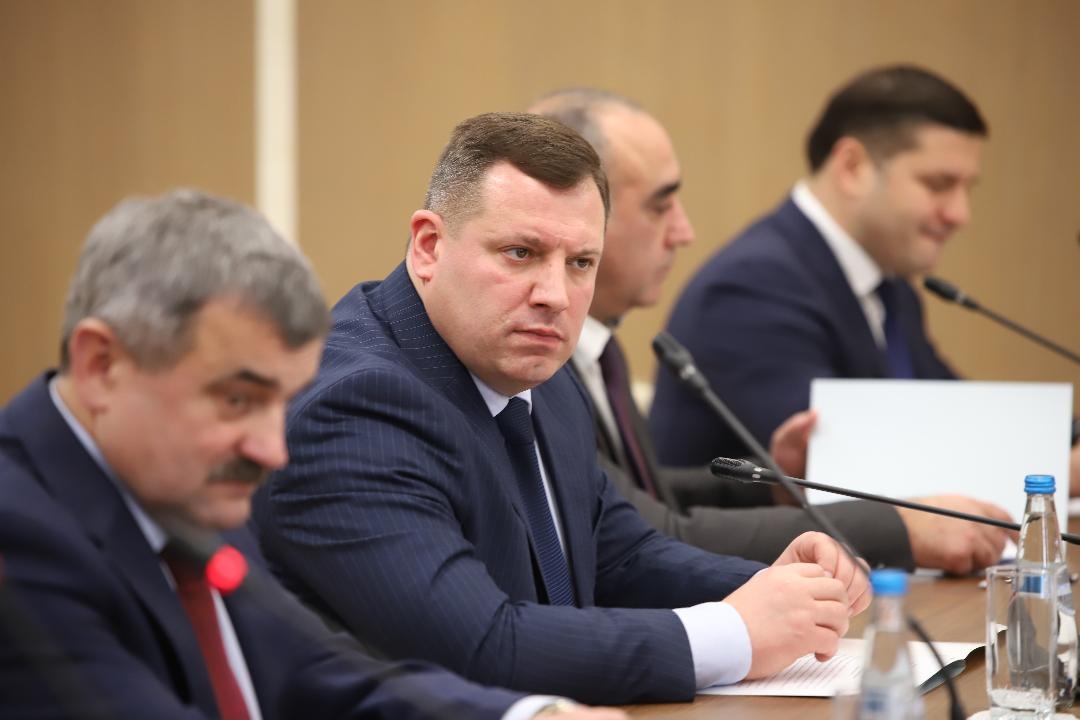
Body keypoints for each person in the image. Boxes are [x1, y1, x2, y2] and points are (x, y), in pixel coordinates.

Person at [252, 111, 870, 706]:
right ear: (429, 246)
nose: (554, 296)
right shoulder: (354, 410)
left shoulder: (537, 369)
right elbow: (479, 646)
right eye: (520, 253)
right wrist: (734, 633)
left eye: (580, 263)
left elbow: (614, 553)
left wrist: (773, 588)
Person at [0, 189, 625, 720]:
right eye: (238, 400)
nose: (272, 450)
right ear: (102, 367)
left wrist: (527, 716)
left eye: (281, 403)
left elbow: (318, 674)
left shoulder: (183, 492)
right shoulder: (19, 537)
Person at [529, 87, 1012, 575]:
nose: (684, 232)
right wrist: (900, 528)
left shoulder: (598, 348)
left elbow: (638, 497)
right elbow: (649, 534)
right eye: (660, 205)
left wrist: (776, 486)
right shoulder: (536, 358)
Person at [652, 64, 1080, 497]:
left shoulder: (890, 289)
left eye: (968, 189)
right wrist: (1056, 471)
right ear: (853, 167)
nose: (960, 214)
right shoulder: (751, 288)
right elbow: (851, 468)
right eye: (939, 184)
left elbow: (961, 418)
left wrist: (1068, 439)